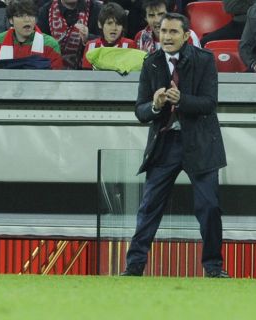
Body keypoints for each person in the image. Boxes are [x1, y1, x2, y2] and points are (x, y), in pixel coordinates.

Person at [121, 13, 228, 278]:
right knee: (149, 207)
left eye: (172, 32)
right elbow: (140, 110)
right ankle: (134, 267)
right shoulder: (152, 63)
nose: (166, 37)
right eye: (163, 31)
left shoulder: (204, 61)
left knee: (209, 207)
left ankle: (214, 268)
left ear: (186, 35)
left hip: (200, 144)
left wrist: (182, 100)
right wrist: (156, 105)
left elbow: (209, 103)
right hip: (165, 144)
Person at [0, 0, 63, 69]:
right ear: (11, 20)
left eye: (31, 15)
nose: (27, 20)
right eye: (20, 16)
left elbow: (55, 80)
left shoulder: (50, 44)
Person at [37, 0, 102, 69]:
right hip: (54, 72)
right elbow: (39, 43)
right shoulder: (46, 10)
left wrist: (89, 37)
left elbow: (108, 41)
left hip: (87, 72)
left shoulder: (96, 9)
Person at [81, 2, 136, 69]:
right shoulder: (91, 46)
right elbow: (86, 76)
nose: (114, 28)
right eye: (109, 23)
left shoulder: (130, 45)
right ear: (100, 24)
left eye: (118, 24)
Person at [134, 0, 200, 53]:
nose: (157, 20)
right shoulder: (140, 37)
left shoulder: (187, 36)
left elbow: (197, 65)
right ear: (146, 18)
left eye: (161, 14)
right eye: (151, 15)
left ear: (170, 15)